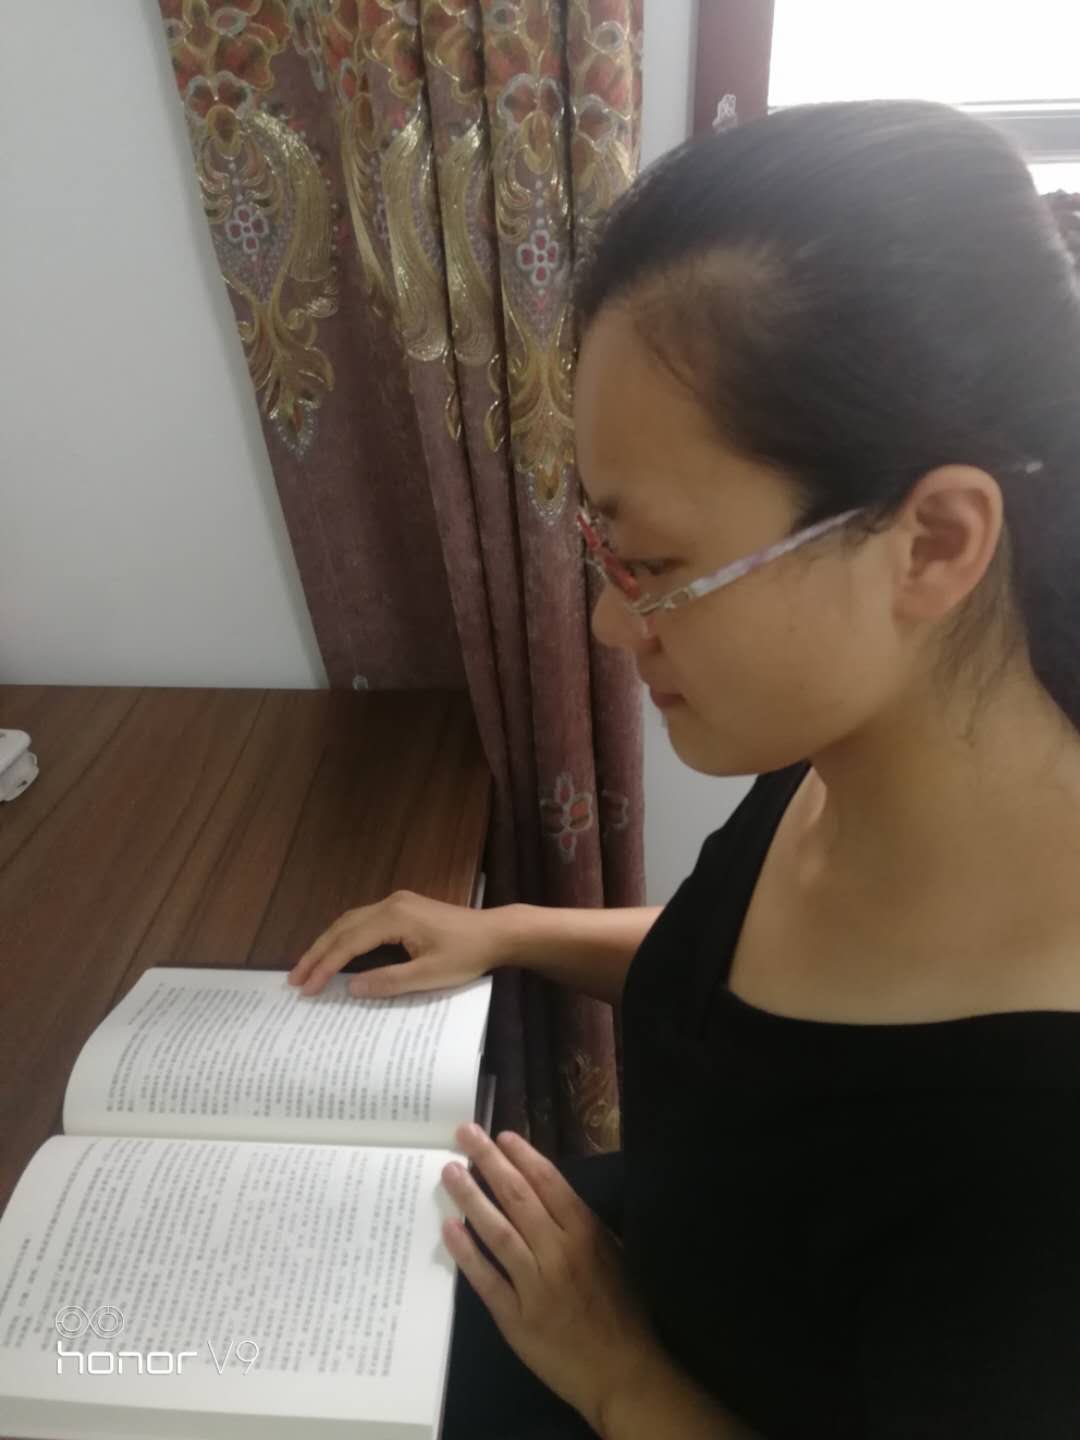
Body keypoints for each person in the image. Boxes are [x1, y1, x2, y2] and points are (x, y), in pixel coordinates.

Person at [287, 98, 1080, 1438]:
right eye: (605, 556)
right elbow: (762, 996)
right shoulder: (861, 737)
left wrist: (615, 1371)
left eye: (653, 566)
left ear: (935, 543)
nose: (612, 623)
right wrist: (512, 929)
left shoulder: (1040, 1160)